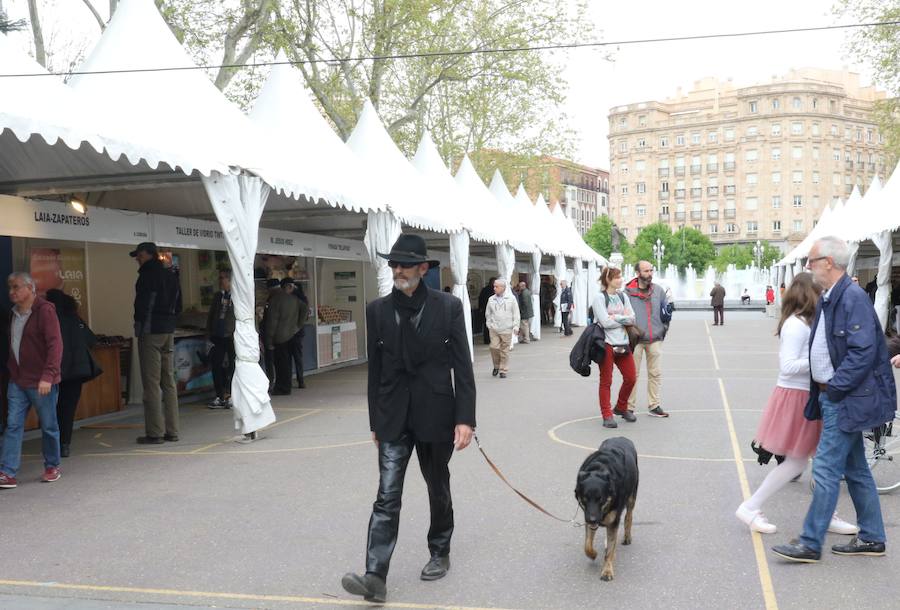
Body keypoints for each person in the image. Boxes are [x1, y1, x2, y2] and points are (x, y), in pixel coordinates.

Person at [341, 234, 475, 604]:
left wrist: (465, 418)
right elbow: (376, 370)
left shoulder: (448, 307)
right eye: (393, 264)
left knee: (437, 485)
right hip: (393, 416)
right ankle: (375, 576)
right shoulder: (376, 310)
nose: (397, 270)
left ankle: (439, 549)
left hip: (436, 413)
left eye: (404, 264)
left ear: (423, 268)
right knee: (387, 495)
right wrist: (375, 422)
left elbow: (463, 367)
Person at [772, 236, 896, 563]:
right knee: (856, 471)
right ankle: (872, 537)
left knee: (825, 469)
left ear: (829, 262)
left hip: (843, 397)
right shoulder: (832, 296)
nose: (808, 267)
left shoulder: (850, 297)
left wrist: (836, 388)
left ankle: (810, 542)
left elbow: (862, 351)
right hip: (836, 396)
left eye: (812, 261)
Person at [735, 273, 857, 536]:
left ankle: (825, 513)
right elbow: (788, 366)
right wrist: (826, 361)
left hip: (804, 395)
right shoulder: (795, 325)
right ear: (810, 293)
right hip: (796, 396)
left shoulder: (803, 322)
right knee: (799, 461)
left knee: (816, 460)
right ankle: (751, 506)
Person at [0, 272, 63, 488]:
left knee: (48, 425)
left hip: (41, 381)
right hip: (17, 379)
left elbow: (55, 345)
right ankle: (7, 472)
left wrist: (48, 376)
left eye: (16, 287)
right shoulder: (14, 313)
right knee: (13, 425)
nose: (11, 292)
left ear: (30, 288)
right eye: (10, 287)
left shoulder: (45, 311)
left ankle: (52, 465)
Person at [131, 242, 181, 445]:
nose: (137, 259)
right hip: (169, 330)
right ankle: (173, 430)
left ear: (149, 255)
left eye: (139, 255)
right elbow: (179, 304)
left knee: (151, 383)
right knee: (168, 381)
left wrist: (140, 327)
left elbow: (142, 305)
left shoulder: (146, 276)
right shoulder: (171, 275)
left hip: (151, 332)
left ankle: (155, 432)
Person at [45, 289, 99, 458]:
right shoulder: (74, 318)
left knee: (50, 409)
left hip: (55, 371)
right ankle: (64, 445)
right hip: (76, 371)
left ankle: (51, 445)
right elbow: (91, 339)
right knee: (67, 409)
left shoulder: (48, 319)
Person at [623, 261, 671, 420]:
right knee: (632, 375)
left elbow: (666, 312)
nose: (649, 273)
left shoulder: (658, 291)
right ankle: (628, 407)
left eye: (651, 270)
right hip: (635, 340)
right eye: (646, 271)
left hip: (655, 338)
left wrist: (663, 329)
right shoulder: (627, 293)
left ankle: (654, 405)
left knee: (655, 373)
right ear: (638, 273)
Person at [593, 266, 637, 429]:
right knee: (606, 381)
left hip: (623, 343)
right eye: (617, 277)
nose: (621, 280)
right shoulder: (599, 298)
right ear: (608, 280)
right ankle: (607, 414)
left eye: (620, 276)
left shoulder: (623, 296)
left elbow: (632, 319)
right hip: (606, 344)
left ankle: (621, 407)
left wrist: (616, 317)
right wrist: (622, 318)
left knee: (631, 377)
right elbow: (604, 322)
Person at [264, 277, 300, 396]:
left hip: (278, 337)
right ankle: (286, 386)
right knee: (287, 363)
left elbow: (272, 322)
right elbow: (304, 309)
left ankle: (281, 388)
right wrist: (297, 326)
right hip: (290, 335)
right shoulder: (291, 298)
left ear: (270, 289)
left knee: (280, 364)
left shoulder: (275, 300)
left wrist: (268, 340)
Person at [206, 269, 236, 409]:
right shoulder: (218, 296)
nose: (220, 281)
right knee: (216, 365)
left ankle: (230, 394)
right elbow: (212, 315)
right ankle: (219, 394)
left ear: (229, 280)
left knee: (232, 366)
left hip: (231, 336)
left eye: (223, 278)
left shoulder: (236, 296)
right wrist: (210, 333)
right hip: (218, 336)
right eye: (220, 278)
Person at [485, 278, 520, 379]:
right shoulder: (491, 299)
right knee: (494, 347)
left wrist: (516, 326)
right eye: (494, 286)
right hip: (494, 329)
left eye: (497, 286)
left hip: (507, 328)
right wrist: (489, 325)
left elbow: (516, 313)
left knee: (504, 350)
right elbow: (488, 314)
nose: (494, 288)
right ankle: (496, 365)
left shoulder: (511, 298)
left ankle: (503, 369)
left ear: (503, 288)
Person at [287, 280, 310, 389]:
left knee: (288, 357)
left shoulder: (292, 299)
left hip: (291, 331)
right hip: (299, 332)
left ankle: (289, 380)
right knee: (298, 357)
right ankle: (300, 380)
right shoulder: (303, 299)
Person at [477, 277, 496, 345]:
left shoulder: (487, 289)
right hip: (488, 309)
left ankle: (489, 339)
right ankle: (488, 339)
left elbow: (480, 299)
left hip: (489, 309)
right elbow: (481, 299)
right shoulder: (488, 290)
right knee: (487, 325)